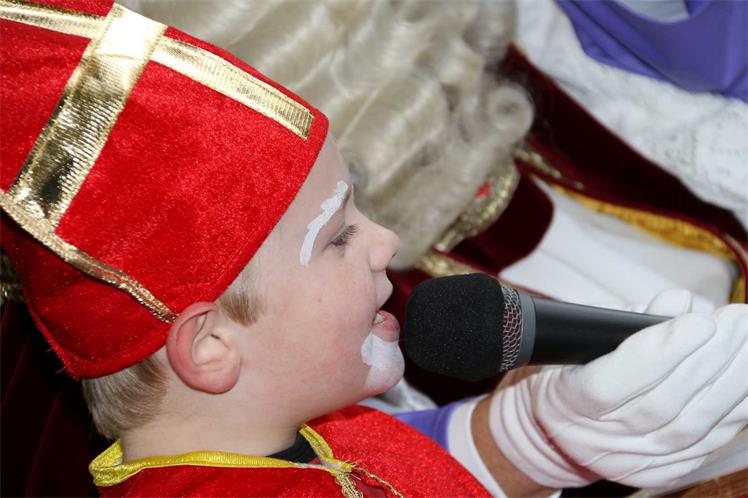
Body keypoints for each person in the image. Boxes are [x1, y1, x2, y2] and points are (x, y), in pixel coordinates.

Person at [1, 1, 747, 497]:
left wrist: (530, 439)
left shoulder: (332, 439)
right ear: (210, 345)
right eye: (338, 235)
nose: (388, 241)